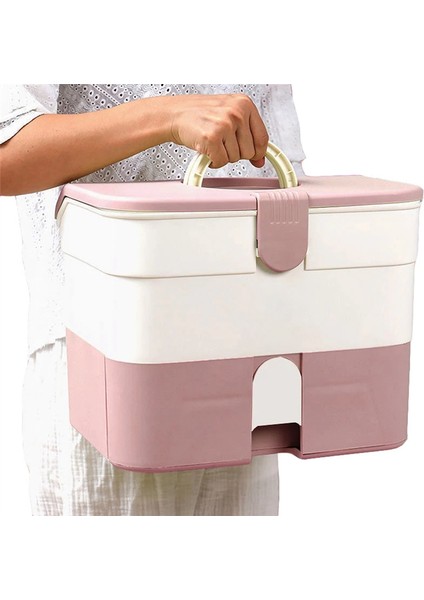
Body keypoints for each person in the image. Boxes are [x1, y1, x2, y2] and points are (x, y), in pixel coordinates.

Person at [0, 84, 306, 516]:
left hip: (241, 363)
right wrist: (167, 116)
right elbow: (6, 152)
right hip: (105, 361)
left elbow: (283, 170)